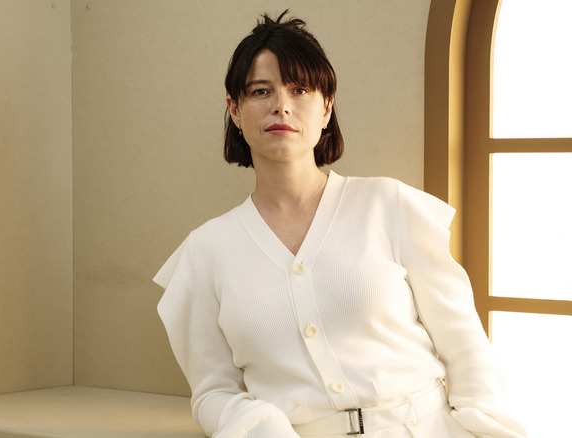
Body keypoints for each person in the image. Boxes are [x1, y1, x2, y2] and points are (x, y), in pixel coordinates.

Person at [154, 11, 527, 438]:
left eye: (300, 90)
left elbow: (465, 345)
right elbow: (211, 393)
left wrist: (482, 427)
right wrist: (263, 427)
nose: (281, 105)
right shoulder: (205, 252)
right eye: (261, 91)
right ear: (235, 111)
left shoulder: (389, 205)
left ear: (326, 108)